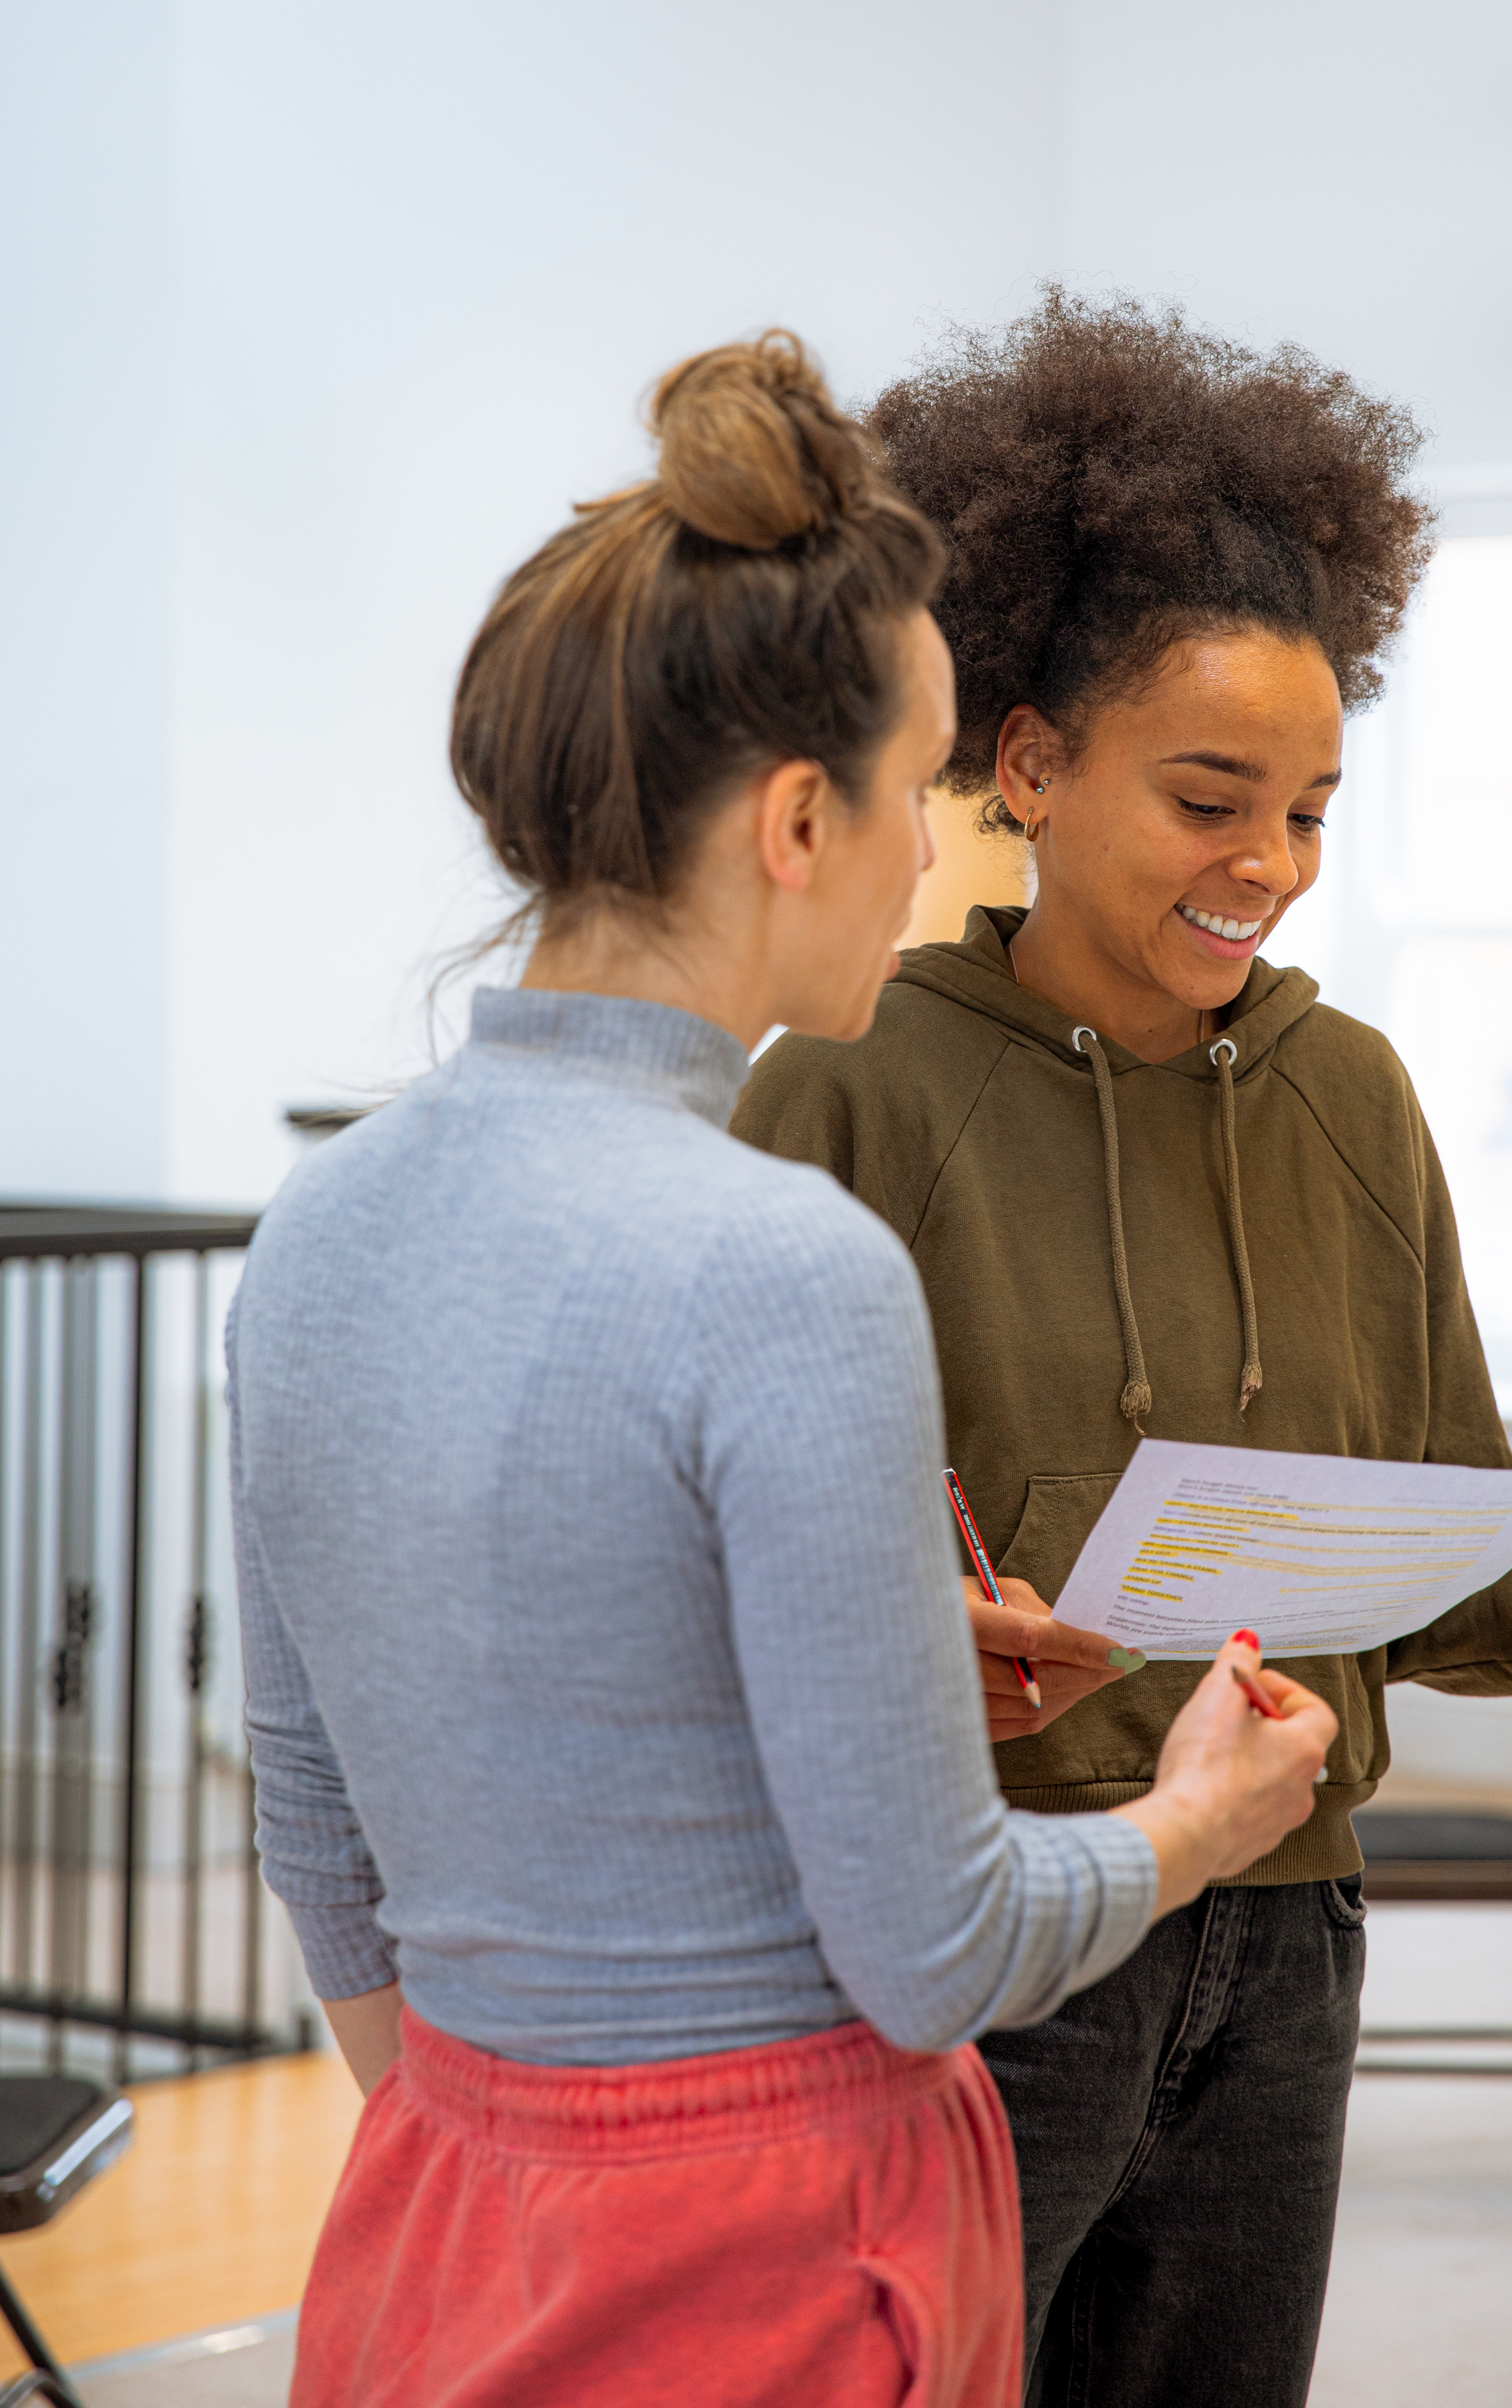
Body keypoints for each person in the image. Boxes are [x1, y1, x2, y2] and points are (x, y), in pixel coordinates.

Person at [732, 292, 1512, 2408]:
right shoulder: (855, 1088)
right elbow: (735, 1569)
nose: (1268, 862)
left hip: (1289, 1918)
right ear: (1031, 761)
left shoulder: (1352, 1094)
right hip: (999, 1928)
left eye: (1315, 807)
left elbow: (1440, 1550)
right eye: (1208, 796)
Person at [230, 332, 1340, 2408]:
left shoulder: (318, 1228)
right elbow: (945, 1948)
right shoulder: (786, 1269)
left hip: (440, 2211)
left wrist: (510, 2133)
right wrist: (1201, 1815)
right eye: (924, 786)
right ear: (801, 818)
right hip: (774, 2252)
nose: (941, 855)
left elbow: (319, 1828)